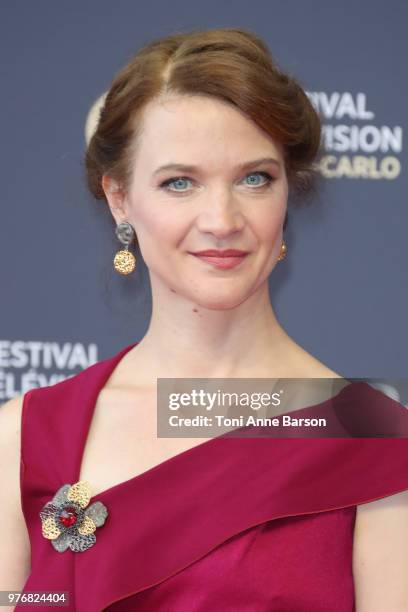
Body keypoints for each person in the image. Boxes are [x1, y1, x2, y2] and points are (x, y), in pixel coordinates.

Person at [1, 26, 407, 612]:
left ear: (288, 190)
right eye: (180, 183)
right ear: (120, 198)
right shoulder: (27, 438)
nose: (221, 219)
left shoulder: (371, 438)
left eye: (254, 178)